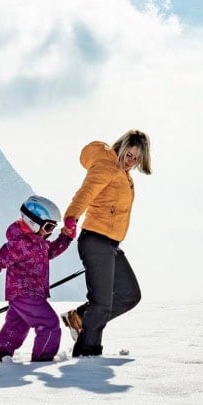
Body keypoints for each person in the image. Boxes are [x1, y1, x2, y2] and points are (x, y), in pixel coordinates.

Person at [61, 129, 152, 357]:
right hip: (95, 240)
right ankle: (88, 355)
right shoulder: (106, 165)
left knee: (129, 294)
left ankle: (79, 317)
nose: (131, 161)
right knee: (101, 304)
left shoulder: (123, 173)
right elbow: (86, 192)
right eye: (129, 154)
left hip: (110, 244)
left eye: (137, 158)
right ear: (120, 147)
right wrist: (71, 217)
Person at [0, 195, 75, 363]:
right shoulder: (19, 244)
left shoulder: (38, 241)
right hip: (26, 293)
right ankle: (43, 360)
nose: (50, 232)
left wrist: (67, 237)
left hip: (26, 294)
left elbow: (51, 251)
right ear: (33, 222)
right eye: (49, 227)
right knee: (49, 324)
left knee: (17, 326)